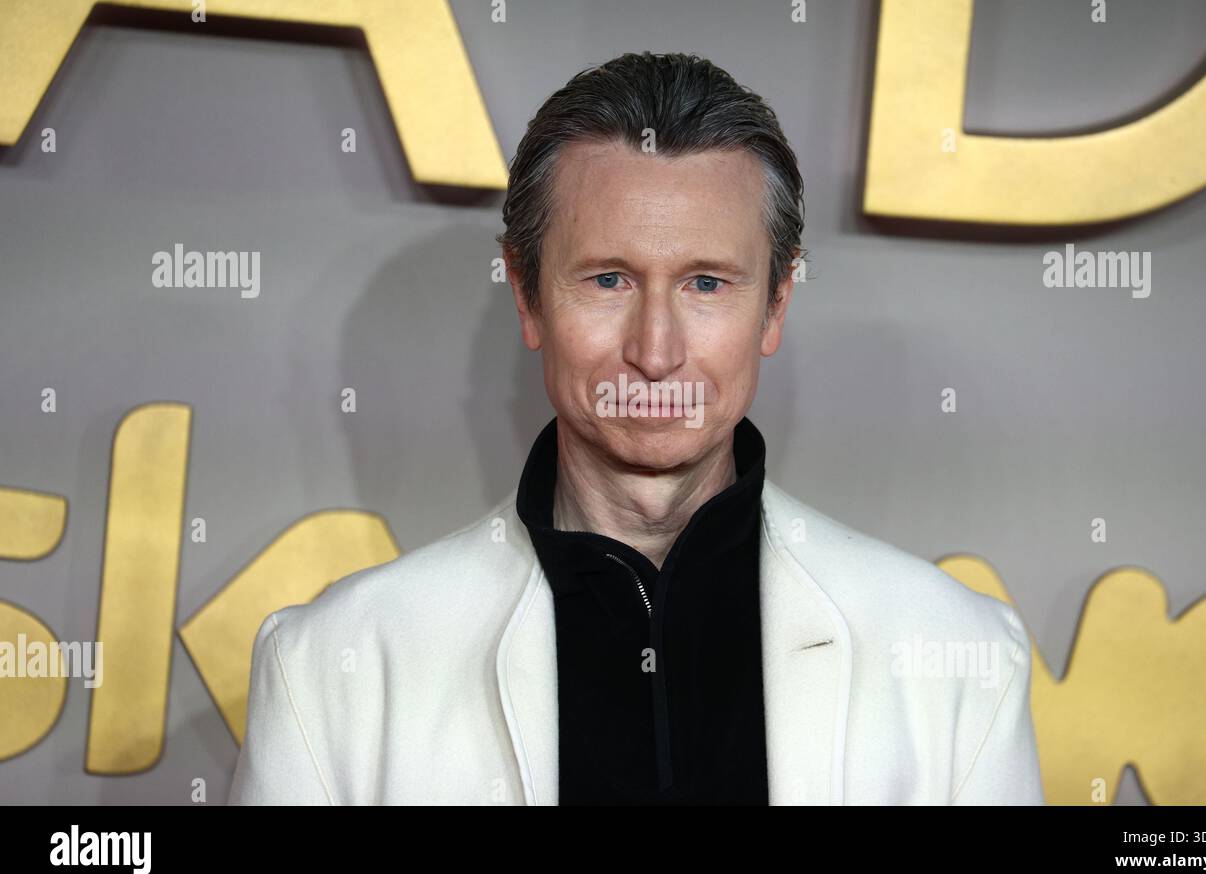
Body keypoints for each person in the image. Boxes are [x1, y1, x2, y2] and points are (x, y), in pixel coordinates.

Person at [228, 51, 1044, 806]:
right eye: (609, 278)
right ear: (527, 294)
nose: (655, 352)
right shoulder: (328, 670)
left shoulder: (958, 659)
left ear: (776, 305)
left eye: (706, 283)